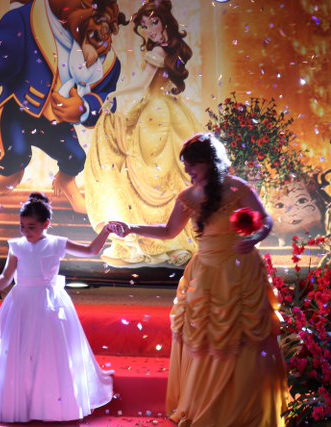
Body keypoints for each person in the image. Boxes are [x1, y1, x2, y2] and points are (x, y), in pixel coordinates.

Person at [112, 134, 288, 427]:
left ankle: (247, 408)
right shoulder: (188, 196)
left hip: (241, 271)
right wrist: (131, 228)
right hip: (206, 274)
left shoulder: (237, 187)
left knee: (244, 338)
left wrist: (255, 236)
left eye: (193, 164)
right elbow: (168, 231)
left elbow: (265, 220)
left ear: (210, 162)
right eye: (186, 165)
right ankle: (208, 405)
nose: (188, 170)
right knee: (206, 340)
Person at [0, 0, 128, 213]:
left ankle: (66, 182)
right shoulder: (25, 21)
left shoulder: (105, 59)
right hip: (17, 111)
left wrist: (84, 108)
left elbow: (106, 98)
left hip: (55, 122)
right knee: (15, 160)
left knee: (76, 157)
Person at [0, 193, 119, 423]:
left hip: (49, 304)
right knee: (20, 353)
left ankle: (50, 405)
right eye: (22, 226)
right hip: (21, 303)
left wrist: (105, 231)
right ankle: (22, 404)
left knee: (49, 353)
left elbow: (90, 251)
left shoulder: (57, 243)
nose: (26, 232)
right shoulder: (16, 246)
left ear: (46, 224)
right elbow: (7, 276)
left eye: (32, 227)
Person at [85, 0, 199, 266]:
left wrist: (112, 94)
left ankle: (156, 242)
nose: (150, 30)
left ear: (165, 21)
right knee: (164, 175)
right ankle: (170, 243)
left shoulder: (159, 51)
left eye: (153, 23)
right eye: (145, 26)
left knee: (146, 173)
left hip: (154, 115)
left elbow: (140, 85)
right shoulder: (173, 49)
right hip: (170, 111)